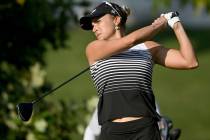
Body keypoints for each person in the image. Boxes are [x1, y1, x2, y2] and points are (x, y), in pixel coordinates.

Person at [79, 1, 198, 140]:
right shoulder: (93, 48)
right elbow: (129, 41)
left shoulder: (147, 48)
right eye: (92, 25)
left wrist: (176, 24)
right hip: (112, 132)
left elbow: (189, 62)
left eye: (98, 21)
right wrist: (158, 25)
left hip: (145, 129)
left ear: (116, 19)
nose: (94, 28)